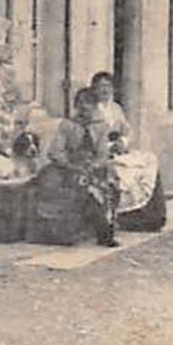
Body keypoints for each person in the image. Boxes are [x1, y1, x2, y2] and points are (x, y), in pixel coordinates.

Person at [47, 86, 119, 247]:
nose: (83, 107)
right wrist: (69, 164)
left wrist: (93, 165)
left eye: (88, 103)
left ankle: (105, 230)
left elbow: (102, 154)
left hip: (94, 168)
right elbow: (55, 151)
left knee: (106, 187)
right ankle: (65, 231)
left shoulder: (101, 127)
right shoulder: (67, 125)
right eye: (79, 103)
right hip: (71, 167)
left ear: (95, 106)